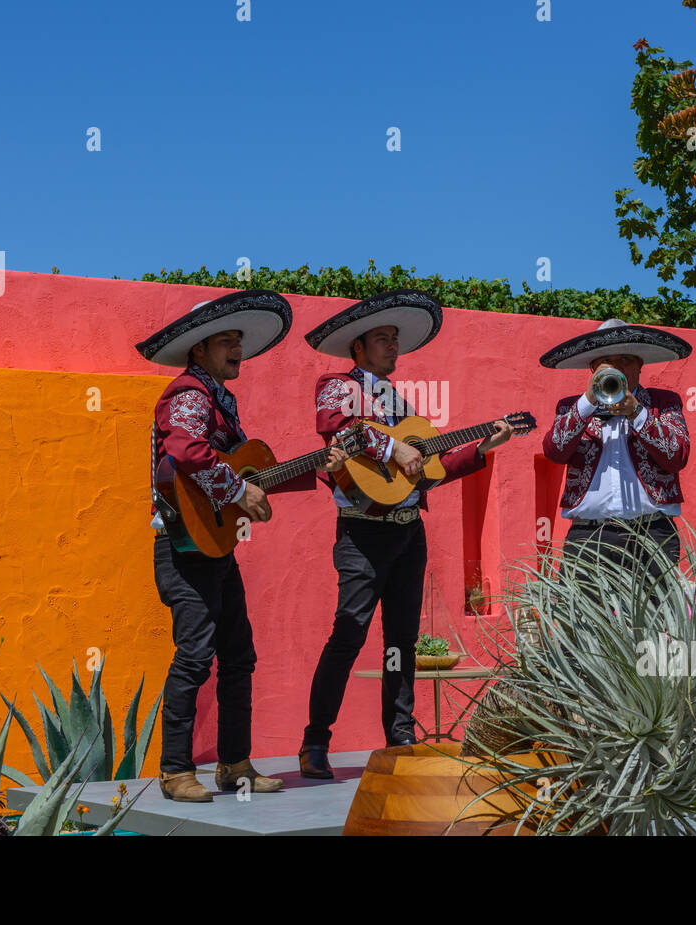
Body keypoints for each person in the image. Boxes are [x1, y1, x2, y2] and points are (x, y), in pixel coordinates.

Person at [136, 291, 345, 802]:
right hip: (184, 550)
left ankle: (234, 766)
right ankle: (174, 770)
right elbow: (184, 450)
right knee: (194, 656)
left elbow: (250, 474)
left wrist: (317, 468)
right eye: (227, 341)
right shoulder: (188, 392)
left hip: (214, 550)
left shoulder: (219, 399)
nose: (238, 349)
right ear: (200, 348)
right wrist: (236, 490)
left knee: (238, 656)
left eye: (239, 341)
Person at [298, 289, 514, 779]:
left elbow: (427, 471)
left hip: (407, 532)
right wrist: (394, 448)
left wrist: (481, 448)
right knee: (348, 634)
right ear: (358, 347)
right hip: (361, 533)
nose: (393, 346)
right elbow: (337, 428)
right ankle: (315, 741)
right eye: (383, 338)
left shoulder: (399, 400)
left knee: (402, 639)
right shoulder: (337, 384)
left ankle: (399, 739)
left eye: (396, 339)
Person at [538, 317, 693, 595]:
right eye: (606, 363)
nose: (617, 368)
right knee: (581, 629)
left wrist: (637, 412)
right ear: (593, 369)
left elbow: (677, 455)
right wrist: (587, 402)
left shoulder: (663, 403)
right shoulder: (571, 407)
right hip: (588, 536)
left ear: (639, 366)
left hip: (652, 534)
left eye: (625, 359)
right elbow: (555, 450)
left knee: (654, 626)